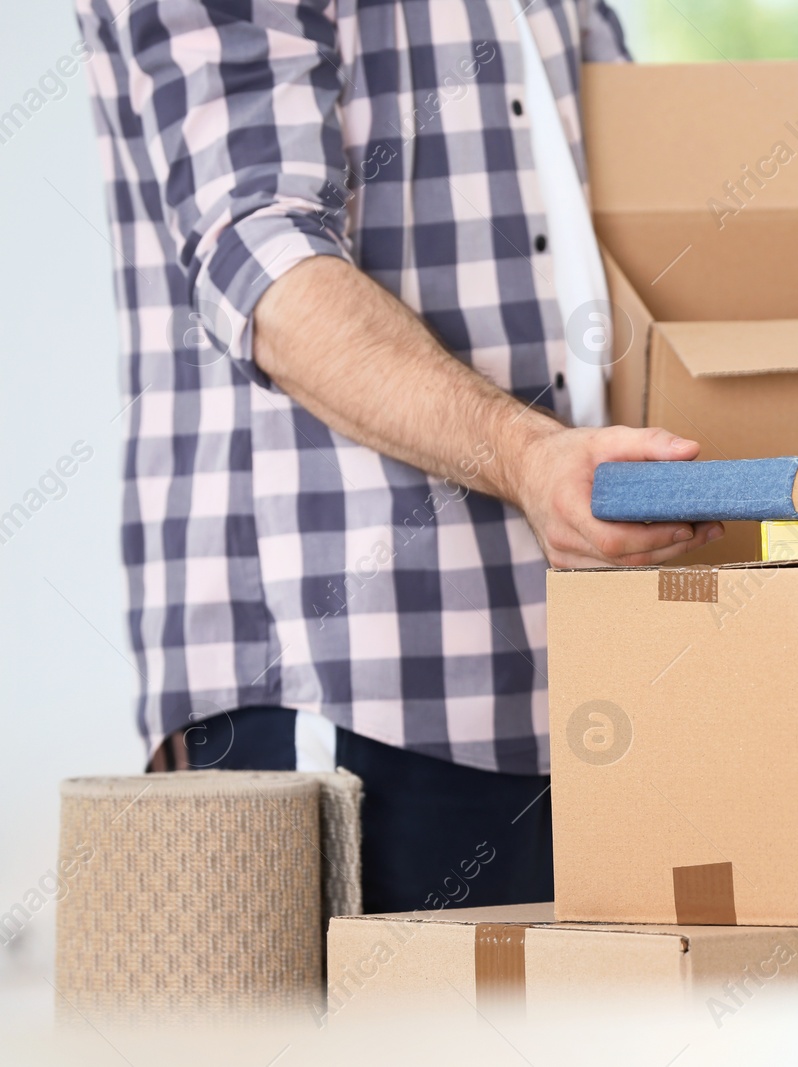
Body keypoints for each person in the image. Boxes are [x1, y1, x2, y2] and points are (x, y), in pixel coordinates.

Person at [76, 0, 721, 914]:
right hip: (343, 680)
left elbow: (634, 209)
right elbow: (264, 262)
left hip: (585, 681)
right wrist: (527, 454)